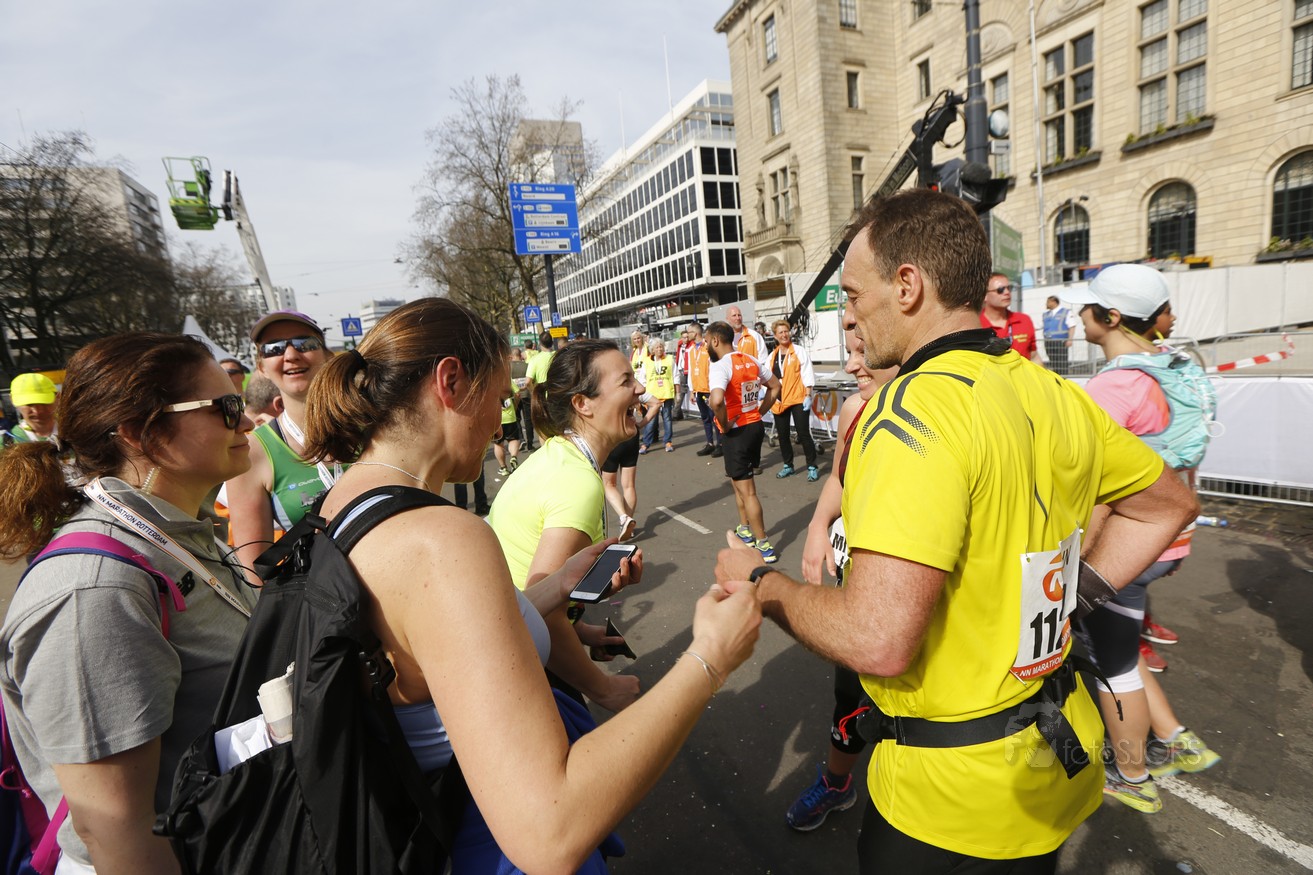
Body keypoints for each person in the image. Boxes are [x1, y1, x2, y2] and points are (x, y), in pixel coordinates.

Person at [714, 188, 1197, 872]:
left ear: (907, 286)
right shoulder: (1051, 389)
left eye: (852, 294)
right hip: (1047, 767)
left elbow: (875, 639)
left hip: (947, 801)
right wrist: (1072, 596)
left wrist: (762, 584)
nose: (848, 314)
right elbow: (1167, 505)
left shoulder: (909, 412)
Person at [301, 299, 761, 872]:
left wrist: (558, 586)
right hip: (477, 835)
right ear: (449, 382)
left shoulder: (345, 500)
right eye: (498, 399)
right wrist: (710, 656)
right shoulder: (441, 539)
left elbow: (437, 643)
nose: (501, 423)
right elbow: (551, 829)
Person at [0, 333, 258, 873]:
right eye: (227, 407)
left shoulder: (178, 533)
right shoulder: (95, 591)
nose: (248, 422)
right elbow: (116, 830)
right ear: (141, 433)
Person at [1061, 263, 1221, 814]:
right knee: (1123, 646)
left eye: (1086, 308)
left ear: (1109, 317)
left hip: (1128, 544)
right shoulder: (1169, 366)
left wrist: (1079, 557)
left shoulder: (1114, 386)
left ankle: (1132, 775)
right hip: (1169, 537)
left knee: (1114, 663)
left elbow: (1097, 489)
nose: (1078, 316)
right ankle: (1175, 739)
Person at [490, 339, 650, 710]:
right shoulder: (577, 482)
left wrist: (584, 631)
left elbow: (536, 585)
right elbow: (542, 610)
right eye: (626, 381)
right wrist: (603, 688)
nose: (640, 387)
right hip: (525, 662)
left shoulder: (559, 453)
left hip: (515, 642)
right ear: (582, 404)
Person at [786, 325, 897, 831]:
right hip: (856, 579)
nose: (852, 366)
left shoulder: (939, 411)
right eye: (851, 353)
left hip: (914, 585)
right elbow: (839, 477)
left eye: (863, 354)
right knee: (849, 693)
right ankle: (837, 784)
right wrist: (816, 526)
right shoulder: (855, 408)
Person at [225, 310, 339, 583]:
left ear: (327, 355)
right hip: (322, 603)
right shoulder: (253, 451)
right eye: (274, 348)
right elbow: (256, 574)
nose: (290, 355)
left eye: (304, 343)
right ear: (262, 367)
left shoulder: (371, 428)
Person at [706, 320, 781, 564]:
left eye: (706, 341)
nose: (705, 346)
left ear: (715, 340)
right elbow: (775, 386)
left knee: (748, 490)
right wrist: (759, 412)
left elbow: (716, 401)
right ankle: (745, 529)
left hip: (737, 431)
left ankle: (764, 544)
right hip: (754, 427)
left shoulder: (720, 366)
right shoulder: (751, 360)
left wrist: (725, 423)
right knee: (738, 481)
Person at [766, 320, 819, 482]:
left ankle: (812, 466)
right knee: (783, 435)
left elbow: (807, 373)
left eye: (786, 331)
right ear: (775, 336)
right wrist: (765, 395)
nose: (784, 335)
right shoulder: (772, 356)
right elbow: (767, 377)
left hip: (797, 398)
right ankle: (788, 465)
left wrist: (808, 395)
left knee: (803, 433)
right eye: (780, 332)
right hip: (779, 400)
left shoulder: (799, 351)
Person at [980, 273, 1039, 361]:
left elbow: (1034, 356)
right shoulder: (976, 324)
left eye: (1009, 288)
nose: (1007, 292)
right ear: (985, 295)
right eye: (1000, 290)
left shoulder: (1024, 320)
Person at [687, 322, 721, 458]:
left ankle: (720, 444)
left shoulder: (707, 347)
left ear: (695, 333)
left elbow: (714, 367)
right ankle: (710, 443)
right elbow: (691, 370)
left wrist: (714, 389)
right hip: (698, 389)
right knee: (705, 418)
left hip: (708, 389)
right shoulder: (691, 350)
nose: (687, 334)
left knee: (715, 417)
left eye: (689, 332)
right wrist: (692, 390)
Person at [641, 338, 677, 452]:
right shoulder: (647, 361)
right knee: (651, 420)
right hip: (652, 396)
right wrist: (643, 396)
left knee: (667, 419)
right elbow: (642, 379)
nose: (659, 349)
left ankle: (668, 442)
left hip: (666, 393)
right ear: (652, 349)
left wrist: (677, 392)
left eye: (661, 346)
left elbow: (675, 375)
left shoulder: (669, 359)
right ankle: (646, 443)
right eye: (657, 347)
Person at [523, 329, 556, 449]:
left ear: (540, 344)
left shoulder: (535, 360)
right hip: (557, 396)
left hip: (542, 398)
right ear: (552, 342)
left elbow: (528, 382)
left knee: (543, 430)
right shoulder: (558, 356)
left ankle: (546, 452)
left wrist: (534, 392)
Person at [7, 373, 59, 443]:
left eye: (44, 403)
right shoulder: (7, 442)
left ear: (58, 397)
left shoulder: (73, 431)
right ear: (12, 400)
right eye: (29, 404)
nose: (37, 411)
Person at [1042, 295, 1078, 374]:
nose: (1046, 304)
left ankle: (1064, 377)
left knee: (1062, 362)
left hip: (1061, 341)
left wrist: (1070, 339)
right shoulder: (1046, 314)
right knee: (1053, 361)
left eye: (1048, 302)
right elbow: (1040, 325)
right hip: (1048, 341)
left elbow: (1072, 326)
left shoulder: (1065, 312)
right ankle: (1057, 377)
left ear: (1054, 302)